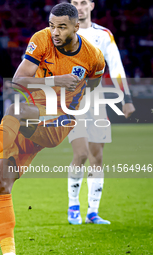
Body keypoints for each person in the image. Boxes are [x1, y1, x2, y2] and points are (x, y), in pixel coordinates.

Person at [0, 3, 105, 255]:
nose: (55, 32)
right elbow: (18, 81)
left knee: (15, 110)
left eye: (62, 27)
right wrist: (56, 81)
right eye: (52, 25)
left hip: (59, 121)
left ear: (77, 27)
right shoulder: (41, 39)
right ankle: (9, 253)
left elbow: (94, 85)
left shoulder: (93, 56)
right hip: (30, 122)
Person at [66, 0, 136, 225]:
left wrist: (127, 98)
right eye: (75, 2)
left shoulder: (103, 35)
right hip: (72, 104)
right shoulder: (60, 32)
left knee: (97, 158)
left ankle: (92, 212)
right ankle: (73, 206)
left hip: (97, 102)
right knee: (81, 154)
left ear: (92, 6)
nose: (80, 6)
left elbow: (116, 67)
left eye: (83, 2)